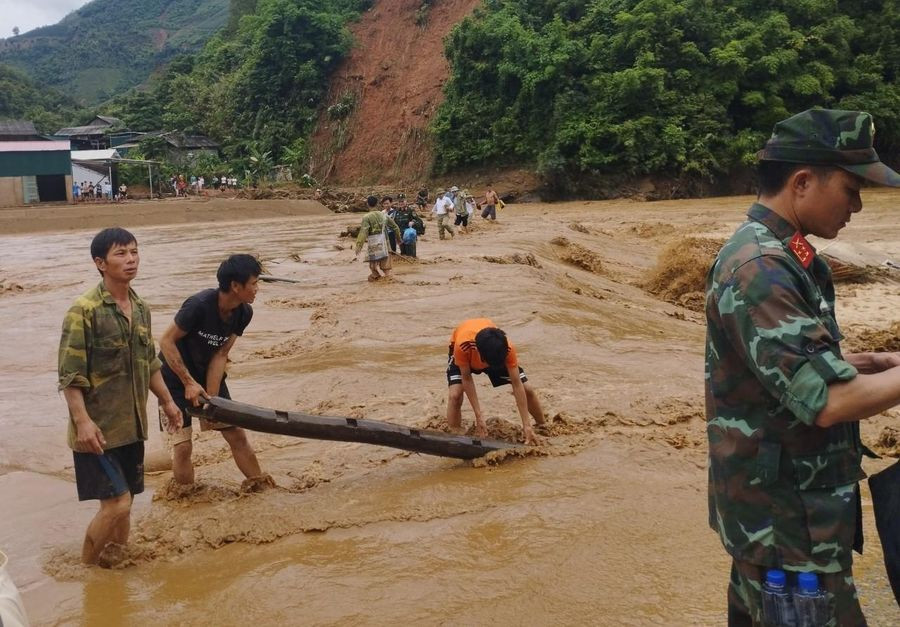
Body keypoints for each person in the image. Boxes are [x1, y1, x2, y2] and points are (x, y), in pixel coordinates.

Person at [705, 109, 900, 626]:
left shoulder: (783, 253)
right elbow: (828, 401)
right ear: (802, 181)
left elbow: (782, 368)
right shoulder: (762, 267)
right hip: (787, 530)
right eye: (851, 189)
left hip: (784, 519)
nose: (857, 206)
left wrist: (875, 362)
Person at [58, 227, 183, 566]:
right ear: (100, 263)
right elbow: (70, 375)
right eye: (121, 254)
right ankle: (85, 570)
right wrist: (82, 422)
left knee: (124, 505)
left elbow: (149, 362)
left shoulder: (141, 307)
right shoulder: (83, 311)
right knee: (118, 504)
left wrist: (168, 401)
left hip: (131, 427)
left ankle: (117, 564)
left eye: (134, 252)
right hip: (97, 431)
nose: (131, 260)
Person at [158, 254, 271, 489]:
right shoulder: (198, 305)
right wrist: (188, 382)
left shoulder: (243, 313)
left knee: (236, 434)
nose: (257, 289)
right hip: (172, 379)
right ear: (235, 286)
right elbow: (166, 342)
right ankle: (185, 496)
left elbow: (220, 355)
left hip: (207, 375)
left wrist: (212, 401)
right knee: (183, 447)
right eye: (254, 283)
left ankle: (260, 488)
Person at [446, 318, 545, 445]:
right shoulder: (463, 345)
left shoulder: (506, 348)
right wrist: (479, 416)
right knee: (455, 395)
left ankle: (542, 426)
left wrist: (527, 425)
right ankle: (454, 436)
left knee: (527, 389)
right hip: (466, 355)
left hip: (492, 354)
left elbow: (516, 383)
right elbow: (466, 378)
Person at [355, 195, 402, 281]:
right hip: (385, 244)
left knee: (373, 267)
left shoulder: (367, 217)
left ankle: (377, 279)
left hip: (373, 246)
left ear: (368, 204)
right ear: (377, 204)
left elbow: (363, 233)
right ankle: (389, 283)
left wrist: (359, 246)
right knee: (386, 269)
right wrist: (399, 239)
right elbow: (395, 227)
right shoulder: (384, 215)